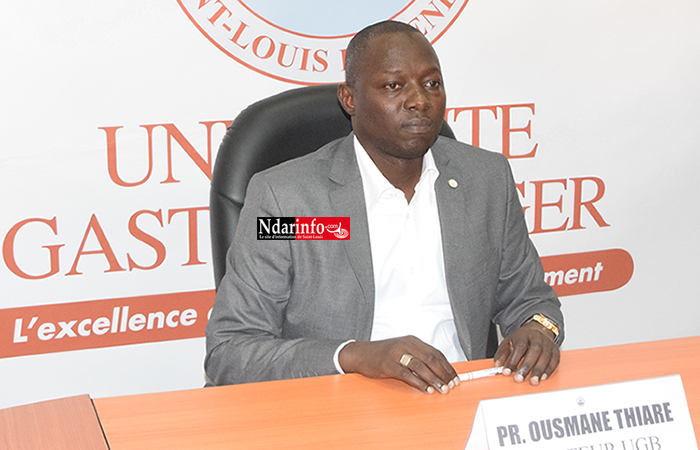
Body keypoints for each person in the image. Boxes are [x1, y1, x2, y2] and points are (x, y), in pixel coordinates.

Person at [205, 20, 563, 395]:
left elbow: (533, 301)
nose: (420, 101)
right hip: (338, 409)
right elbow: (231, 350)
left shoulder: (485, 180)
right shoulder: (289, 202)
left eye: (431, 84)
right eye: (394, 86)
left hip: (463, 400)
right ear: (350, 99)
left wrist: (538, 330)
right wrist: (355, 357)